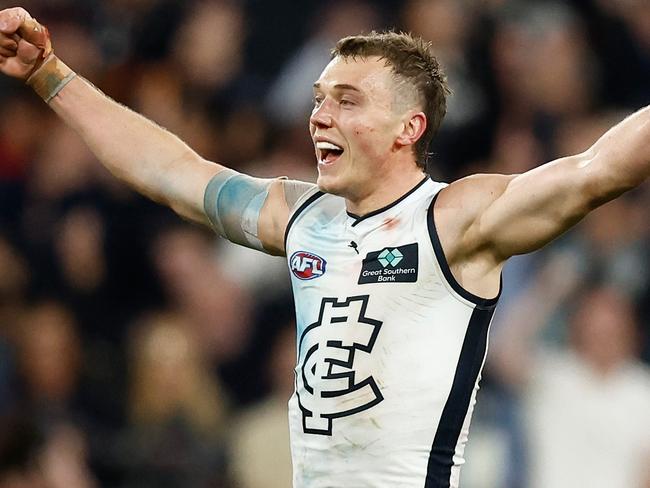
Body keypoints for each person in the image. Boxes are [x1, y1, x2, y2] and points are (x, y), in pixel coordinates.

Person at [0, 6, 648, 488]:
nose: (319, 117)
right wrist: (52, 77)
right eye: (317, 100)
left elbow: (599, 170)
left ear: (408, 127)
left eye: (346, 100)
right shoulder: (303, 217)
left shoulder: (456, 221)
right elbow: (168, 172)